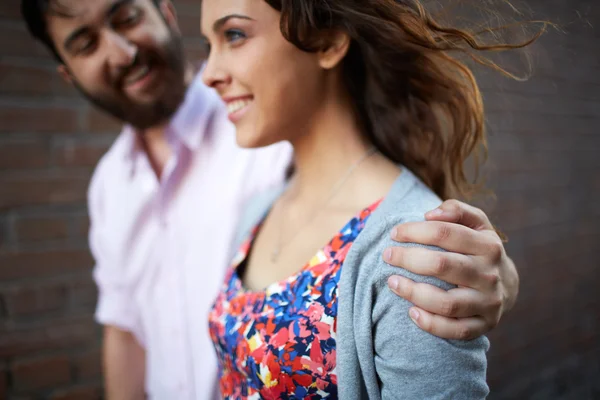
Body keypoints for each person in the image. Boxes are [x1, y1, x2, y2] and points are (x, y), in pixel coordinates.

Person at [21, 0, 521, 398]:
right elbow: (125, 329)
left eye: (126, 16)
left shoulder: (261, 124)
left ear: (163, 11)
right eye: (85, 43)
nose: (121, 52)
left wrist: (494, 278)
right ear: (68, 71)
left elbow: (383, 218)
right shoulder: (112, 185)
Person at [200, 0, 543, 398]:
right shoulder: (258, 212)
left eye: (234, 35)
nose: (209, 73)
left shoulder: (414, 251)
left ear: (327, 42)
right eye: (210, 44)